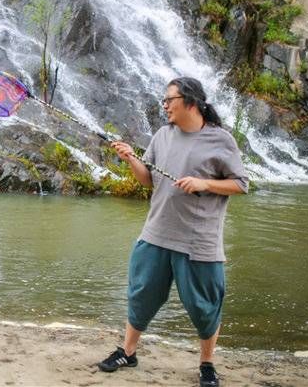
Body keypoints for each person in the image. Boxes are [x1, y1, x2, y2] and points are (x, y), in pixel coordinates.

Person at [97, 77, 248, 387]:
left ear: (190, 102)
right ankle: (128, 351)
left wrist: (204, 183)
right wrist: (131, 159)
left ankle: (207, 363)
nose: (164, 105)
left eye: (169, 99)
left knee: (205, 307)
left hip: (199, 241)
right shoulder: (163, 135)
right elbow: (148, 180)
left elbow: (241, 184)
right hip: (155, 233)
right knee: (141, 295)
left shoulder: (221, 140)